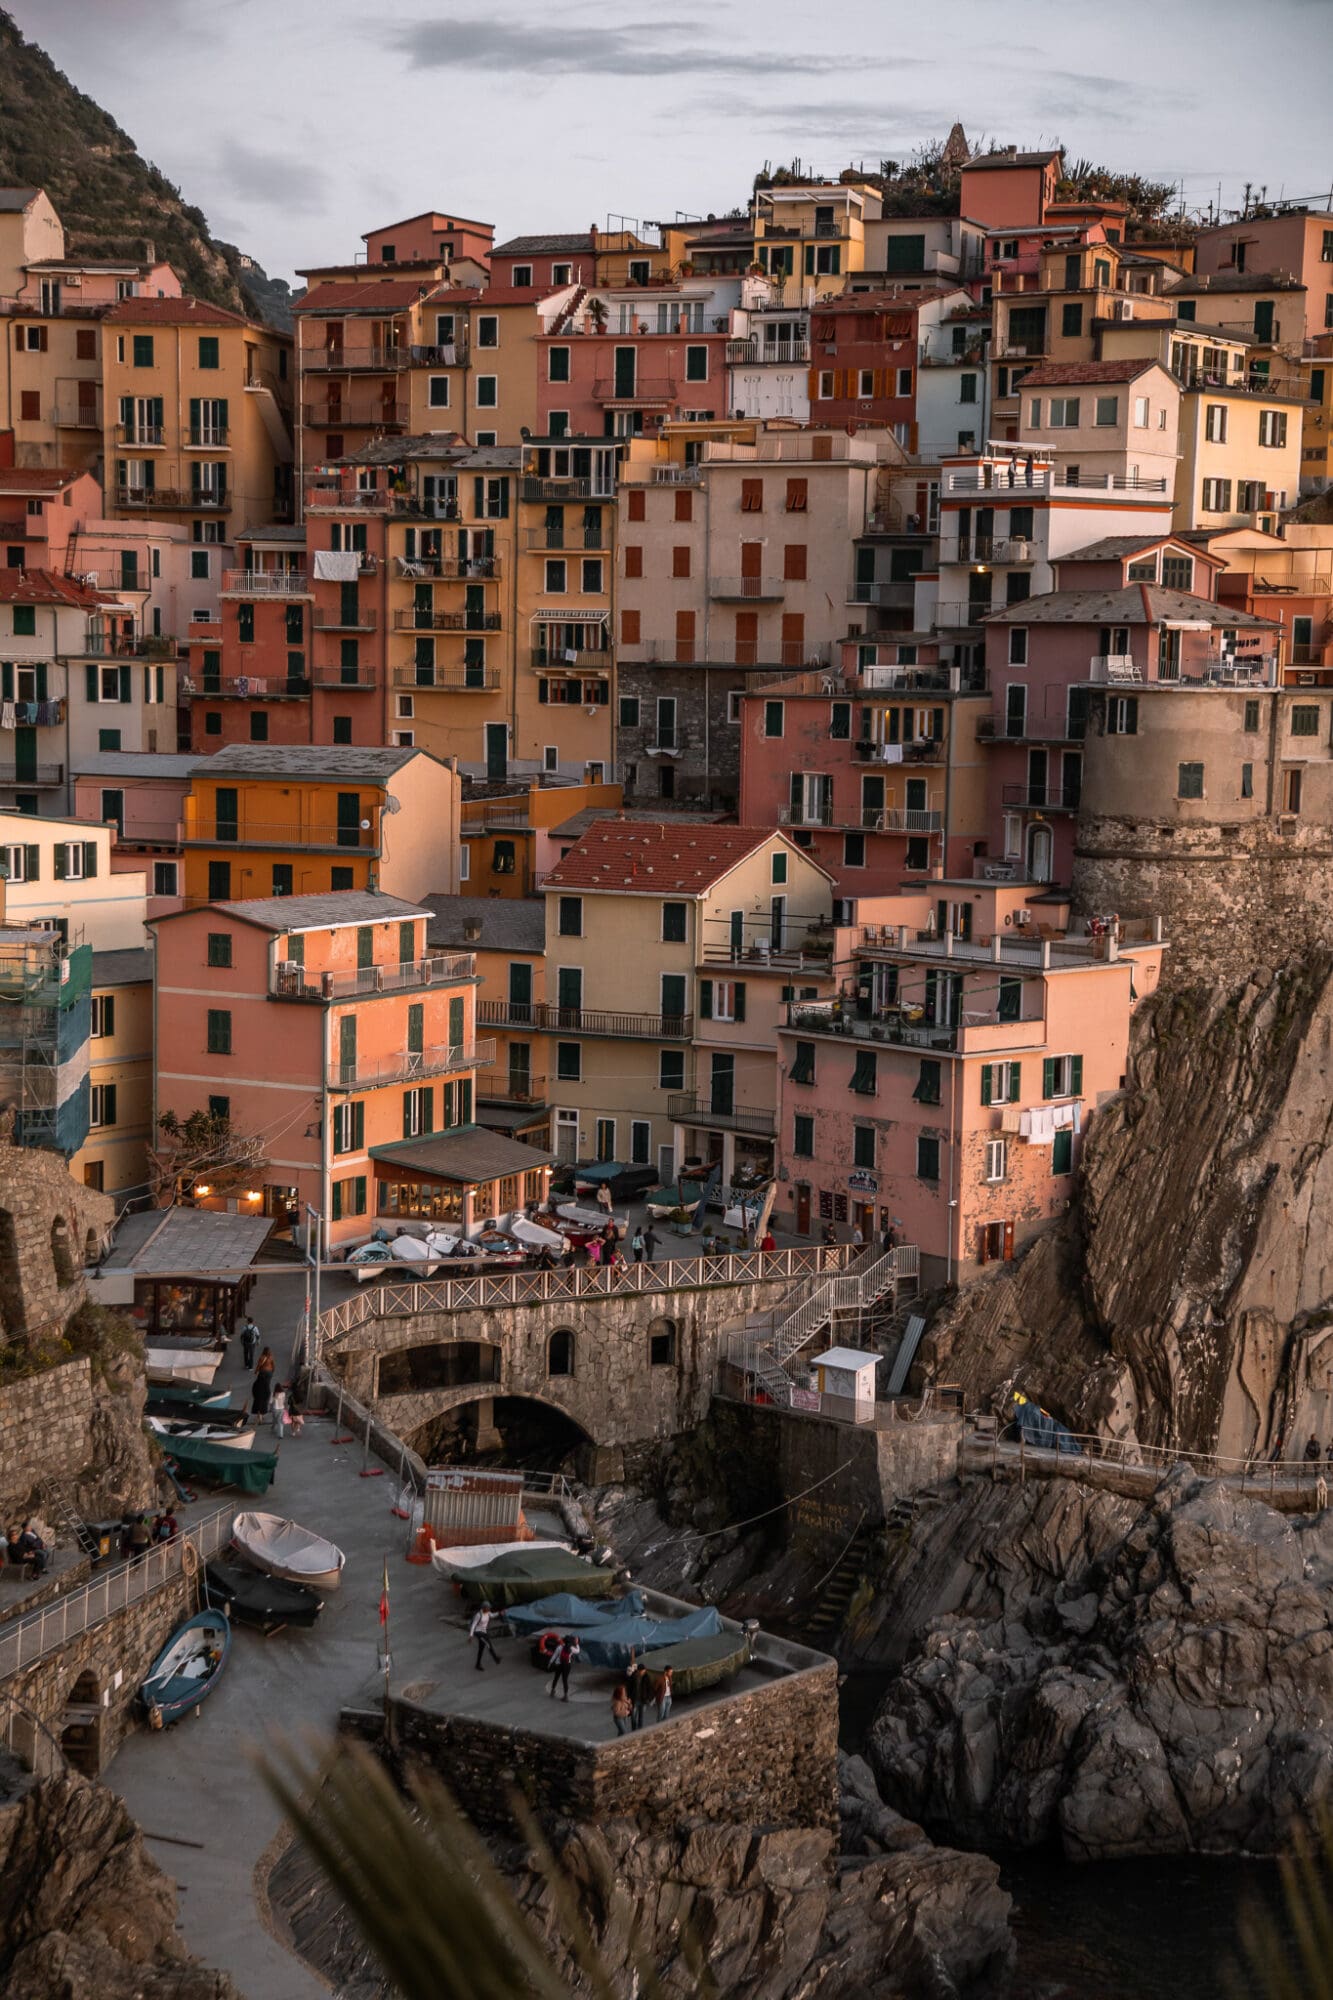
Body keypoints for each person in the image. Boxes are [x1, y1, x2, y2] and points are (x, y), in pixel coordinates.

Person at [547, 1632, 579, 1701]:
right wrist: (576, 1643)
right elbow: (578, 1651)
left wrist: (550, 1663)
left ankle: (552, 1691)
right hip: (567, 1665)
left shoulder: (559, 1647)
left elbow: (555, 1655)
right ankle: (566, 1696)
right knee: (565, 1680)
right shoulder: (571, 1648)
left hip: (559, 1664)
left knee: (556, 1678)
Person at [469, 1603, 500, 1671]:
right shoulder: (478, 1615)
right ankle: (496, 1659)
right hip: (478, 1632)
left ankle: (477, 1664)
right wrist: (471, 1635)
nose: (489, 1609)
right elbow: (473, 1625)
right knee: (488, 1644)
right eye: (488, 1608)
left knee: (481, 1649)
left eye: (489, 1608)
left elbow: (492, 1615)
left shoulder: (488, 1612)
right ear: (484, 1608)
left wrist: (499, 1613)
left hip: (484, 1632)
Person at [250, 1347, 276, 1422]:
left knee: (261, 1384)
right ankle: (265, 1388)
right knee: (266, 1384)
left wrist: (256, 1371)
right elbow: (274, 1365)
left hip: (263, 1372)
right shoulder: (271, 1357)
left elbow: (259, 1365)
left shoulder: (262, 1357)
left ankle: (259, 1416)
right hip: (269, 1373)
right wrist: (272, 1371)